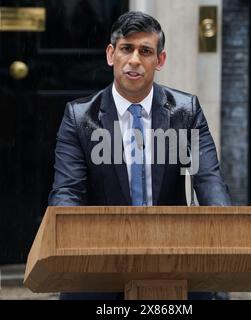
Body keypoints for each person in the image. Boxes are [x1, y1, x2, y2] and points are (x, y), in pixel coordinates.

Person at [49, 11, 231, 300]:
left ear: (159, 61)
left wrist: (225, 234)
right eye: (126, 49)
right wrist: (66, 242)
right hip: (101, 260)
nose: (134, 59)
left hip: (172, 258)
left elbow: (208, 180)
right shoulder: (80, 118)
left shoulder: (186, 112)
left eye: (145, 51)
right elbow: (68, 192)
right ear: (111, 55)